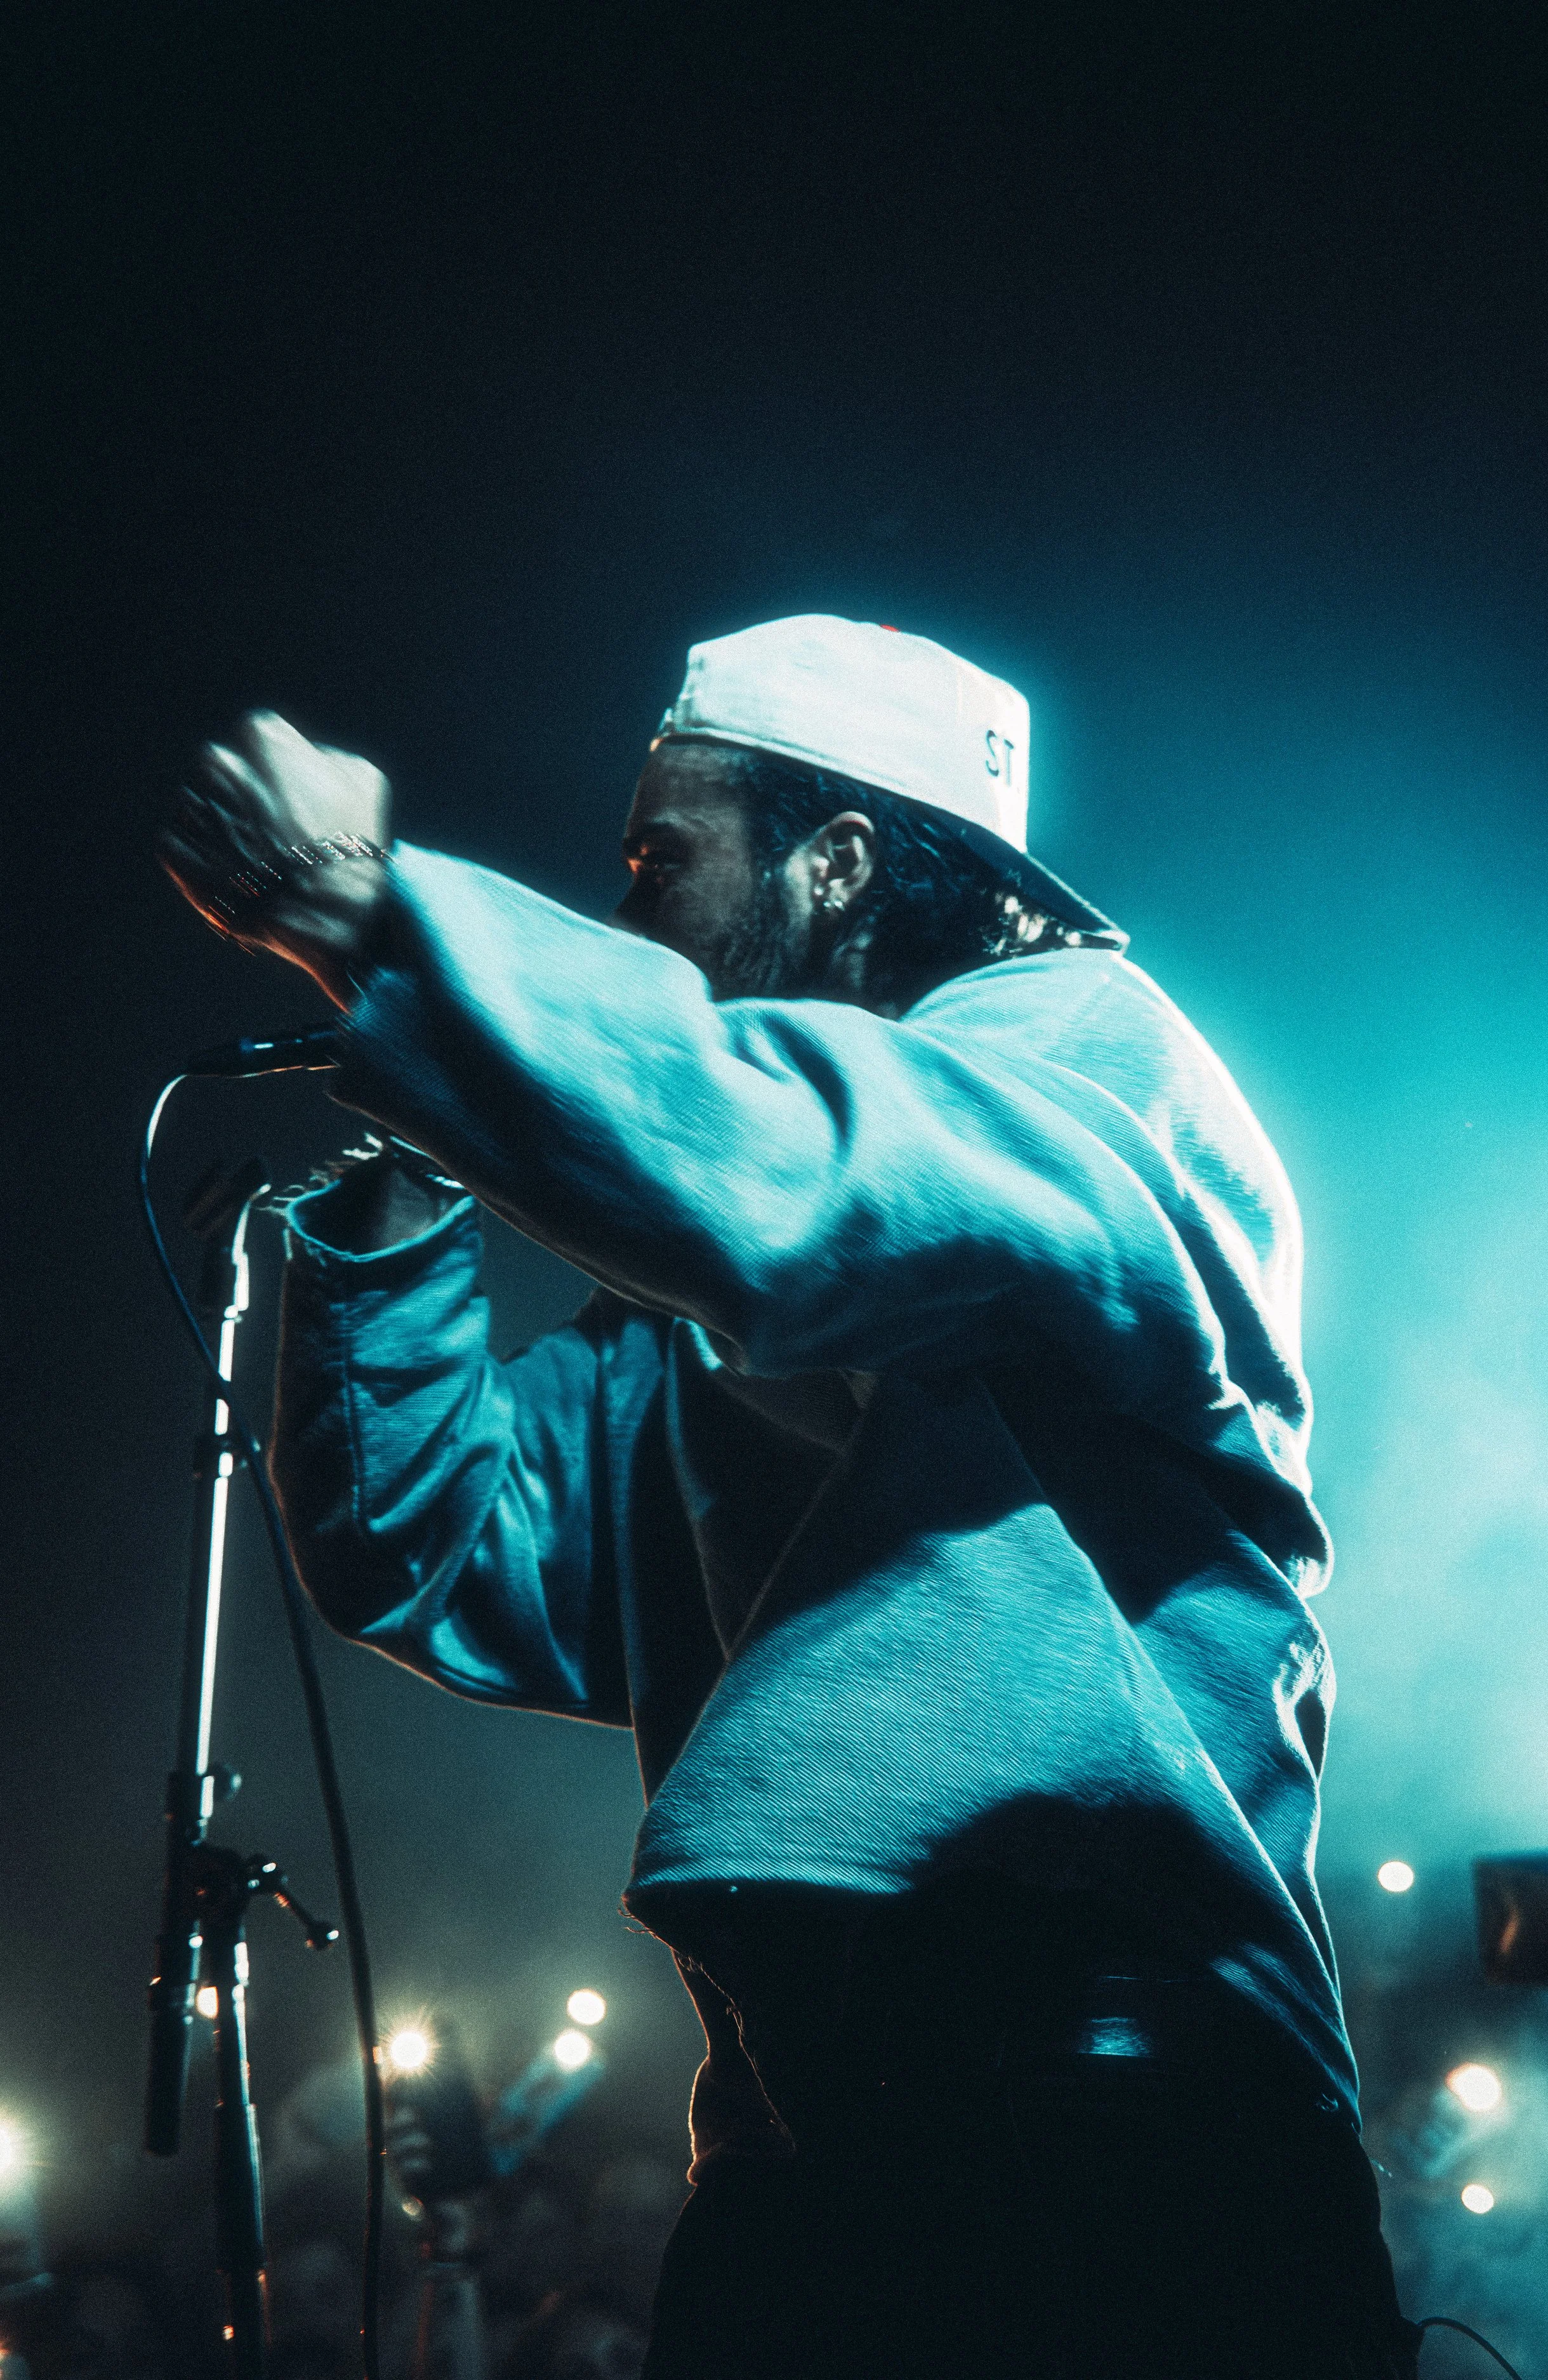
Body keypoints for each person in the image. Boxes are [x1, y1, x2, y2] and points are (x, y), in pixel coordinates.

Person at [159, 616, 1420, 2377]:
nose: (625, 922)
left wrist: (383, 926)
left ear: (836, 866)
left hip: (1112, 2117)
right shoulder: (728, 1290)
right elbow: (434, 1546)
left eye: (658, 862)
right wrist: (395, 1216)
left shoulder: (1083, 1065)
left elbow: (793, 1173)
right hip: (794, 2146)